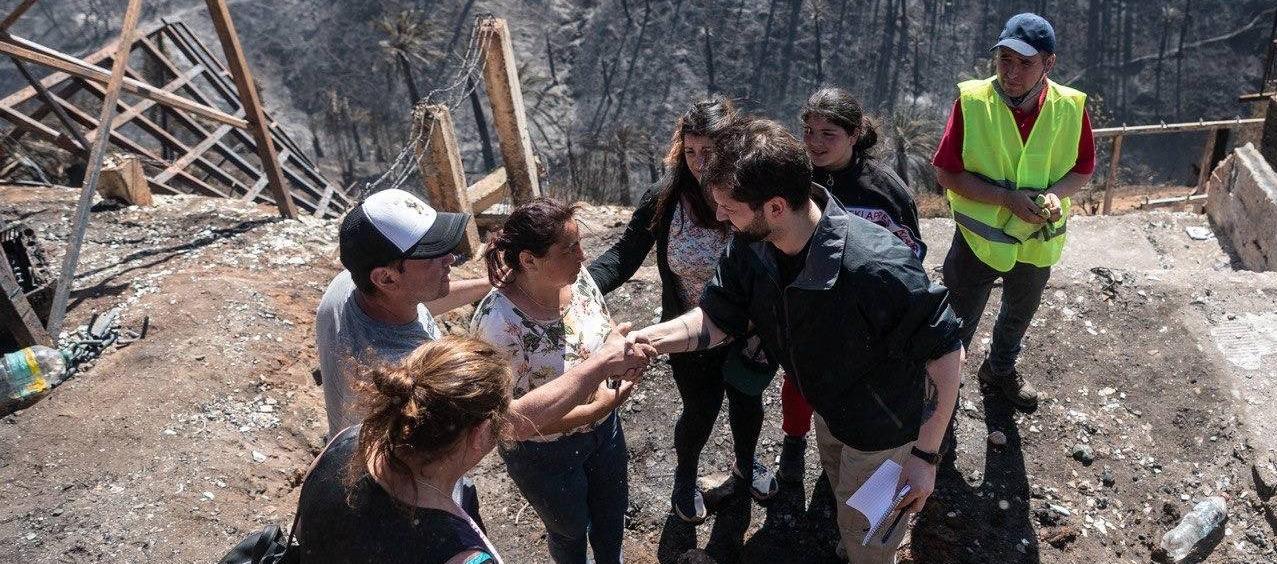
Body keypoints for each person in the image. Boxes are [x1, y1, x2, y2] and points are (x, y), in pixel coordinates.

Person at [630, 117, 964, 563]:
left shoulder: (876, 266)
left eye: (729, 206)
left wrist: (925, 456)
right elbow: (716, 319)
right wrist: (645, 340)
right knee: (849, 512)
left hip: (884, 434)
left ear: (775, 207)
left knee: (871, 537)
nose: (718, 216)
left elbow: (946, 351)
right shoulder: (753, 246)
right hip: (830, 413)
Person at [587, 95, 778, 524]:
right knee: (699, 410)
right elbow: (623, 255)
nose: (697, 162)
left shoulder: (753, 195)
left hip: (750, 331)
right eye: (690, 151)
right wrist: (576, 288)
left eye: (708, 151)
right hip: (690, 333)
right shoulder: (667, 197)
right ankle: (685, 475)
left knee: (747, 403)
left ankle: (746, 467)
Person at [295, 334, 649, 564]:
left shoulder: (349, 442)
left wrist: (598, 365)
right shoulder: (461, 555)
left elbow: (521, 417)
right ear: (481, 435)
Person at [932, 12, 1095, 409]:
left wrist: (1055, 194)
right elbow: (945, 172)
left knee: (1019, 313)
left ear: (1048, 64)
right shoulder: (972, 101)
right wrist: (1007, 199)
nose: (1012, 72)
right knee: (958, 322)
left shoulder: (1069, 107)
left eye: (1025, 62)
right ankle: (941, 398)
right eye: (1005, 59)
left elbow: (1082, 170)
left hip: (1036, 243)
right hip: (978, 242)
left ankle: (999, 370)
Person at [470, 199, 642, 564]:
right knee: (569, 530)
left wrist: (619, 350)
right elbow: (506, 422)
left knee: (612, 520)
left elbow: (602, 327)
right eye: (569, 248)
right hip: (544, 455)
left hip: (606, 433)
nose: (583, 255)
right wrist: (597, 408)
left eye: (580, 243)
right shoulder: (497, 325)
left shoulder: (578, 280)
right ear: (529, 260)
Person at [776, 87, 927, 482]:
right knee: (798, 378)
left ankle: (845, 460)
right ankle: (793, 443)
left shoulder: (885, 191)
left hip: (863, 317)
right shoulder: (797, 178)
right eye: (809, 131)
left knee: (851, 388)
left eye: (829, 134)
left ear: (856, 133)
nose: (815, 142)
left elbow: (908, 258)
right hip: (805, 302)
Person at [315, 187, 492, 436]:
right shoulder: (402, 373)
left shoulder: (348, 284)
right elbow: (503, 425)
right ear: (386, 278)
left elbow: (419, 300)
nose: (449, 258)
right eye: (432, 255)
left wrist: (491, 283)